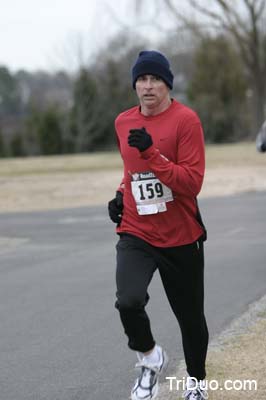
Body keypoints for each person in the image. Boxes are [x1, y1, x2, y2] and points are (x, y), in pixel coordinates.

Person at [108, 50, 209, 400]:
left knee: (191, 319)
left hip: (181, 234)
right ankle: (150, 358)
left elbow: (191, 183)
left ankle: (196, 383)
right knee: (128, 301)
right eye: (141, 79)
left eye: (155, 80)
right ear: (134, 84)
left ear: (167, 84)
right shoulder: (123, 122)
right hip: (137, 229)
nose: (148, 86)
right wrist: (121, 193)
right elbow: (131, 170)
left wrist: (154, 154)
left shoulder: (186, 121)